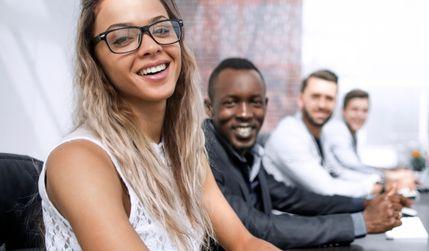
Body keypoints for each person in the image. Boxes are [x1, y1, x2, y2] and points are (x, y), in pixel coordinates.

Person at [38, 0, 276, 250]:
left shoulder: (184, 148)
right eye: (122, 39)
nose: (151, 47)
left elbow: (243, 242)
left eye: (162, 30)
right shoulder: (79, 160)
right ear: (94, 61)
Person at [203, 58, 409, 249]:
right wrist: (362, 220)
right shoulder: (204, 154)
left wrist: (362, 203)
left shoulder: (246, 151)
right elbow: (253, 226)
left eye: (254, 102)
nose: (245, 114)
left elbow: (292, 197)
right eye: (231, 102)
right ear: (209, 108)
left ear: (265, 105)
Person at [262, 70, 383, 197]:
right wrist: (372, 187)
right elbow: (327, 188)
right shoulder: (288, 134)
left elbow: (335, 172)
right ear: (301, 99)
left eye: (329, 98)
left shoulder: (321, 133)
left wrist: (374, 180)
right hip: (287, 215)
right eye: (315, 96)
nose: (322, 105)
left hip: (313, 211)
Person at [322, 89, 418, 192]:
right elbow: (352, 165)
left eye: (365, 111)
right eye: (355, 109)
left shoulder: (350, 131)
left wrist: (389, 173)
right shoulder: (337, 130)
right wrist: (387, 175)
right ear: (343, 111)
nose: (360, 115)